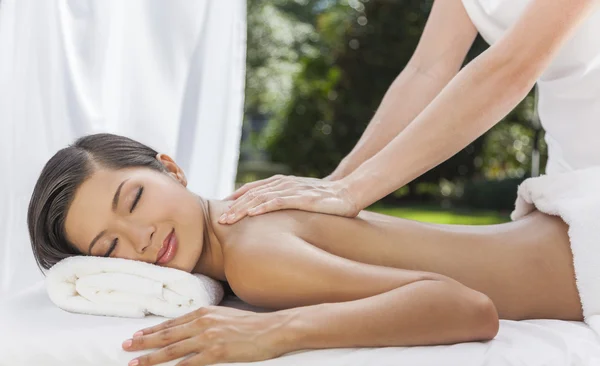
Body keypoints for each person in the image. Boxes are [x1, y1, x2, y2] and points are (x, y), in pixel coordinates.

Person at [28, 133, 582, 366]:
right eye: (110, 249)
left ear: (170, 169)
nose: (142, 237)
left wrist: (275, 333)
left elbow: (467, 308)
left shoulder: (252, 259)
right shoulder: (246, 210)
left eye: (135, 200)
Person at [220, 0, 600, 224]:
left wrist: (353, 190)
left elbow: (513, 64)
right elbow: (427, 70)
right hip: (568, 177)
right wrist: (334, 183)